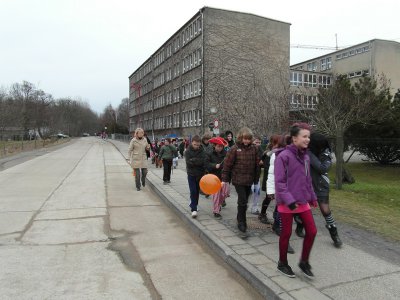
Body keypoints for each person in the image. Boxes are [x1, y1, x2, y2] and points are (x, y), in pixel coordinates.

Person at [274, 123, 318, 278]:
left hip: (302, 201)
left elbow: (307, 180)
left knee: (312, 231)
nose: (307, 139)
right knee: (286, 233)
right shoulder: (283, 156)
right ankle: (282, 263)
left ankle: (304, 262)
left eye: (308, 137)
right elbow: (279, 182)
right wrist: (289, 200)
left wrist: (312, 197)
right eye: (304, 136)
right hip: (287, 203)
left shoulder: (305, 156)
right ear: (294, 138)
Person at [221, 127, 260, 236]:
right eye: (244, 139)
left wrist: (256, 180)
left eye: (248, 139)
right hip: (238, 179)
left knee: (245, 201)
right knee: (242, 200)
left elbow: (257, 165)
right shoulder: (234, 148)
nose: (246, 141)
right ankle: (242, 221)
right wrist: (225, 180)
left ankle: (240, 216)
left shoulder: (254, 149)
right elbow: (227, 165)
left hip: (249, 179)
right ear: (241, 138)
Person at [308, 132, 343, 247]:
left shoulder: (325, 152)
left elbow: (322, 168)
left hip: (321, 185)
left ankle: (334, 234)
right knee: (304, 209)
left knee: (325, 210)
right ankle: (299, 226)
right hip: (307, 185)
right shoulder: (306, 151)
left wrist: (310, 155)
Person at [206, 137, 228, 219]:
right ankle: (216, 211)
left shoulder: (226, 154)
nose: (220, 148)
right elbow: (207, 164)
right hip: (214, 177)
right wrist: (214, 165)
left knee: (224, 194)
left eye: (221, 146)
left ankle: (219, 204)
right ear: (214, 146)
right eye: (218, 146)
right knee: (216, 195)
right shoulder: (209, 153)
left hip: (224, 177)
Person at [185, 135, 207, 218]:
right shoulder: (187, 151)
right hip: (191, 174)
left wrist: (194, 160)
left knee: (197, 191)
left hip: (200, 174)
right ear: (192, 143)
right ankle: (193, 209)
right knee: (193, 191)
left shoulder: (202, 151)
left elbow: (203, 161)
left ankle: (194, 204)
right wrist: (197, 161)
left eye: (198, 145)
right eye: (195, 144)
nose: (196, 146)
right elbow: (189, 163)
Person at [250, 136, 263, 215]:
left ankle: (255, 207)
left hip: (256, 175)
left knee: (257, 191)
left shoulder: (262, 151)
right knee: (250, 191)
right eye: (256, 142)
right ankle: (245, 206)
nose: (258, 144)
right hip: (248, 175)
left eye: (259, 142)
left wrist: (262, 163)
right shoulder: (249, 150)